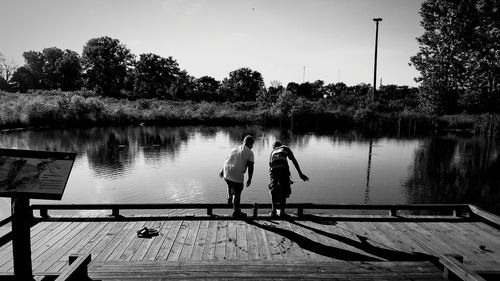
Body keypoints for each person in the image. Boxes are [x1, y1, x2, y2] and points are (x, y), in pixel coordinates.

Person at [268, 141, 309, 217]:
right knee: (284, 191)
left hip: (274, 171)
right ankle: (282, 213)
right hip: (283, 170)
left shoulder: (272, 152)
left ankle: (273, 212)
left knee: (273, 191)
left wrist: (273, 182)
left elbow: (270, 168)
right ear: (280, 145)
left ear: (274, 147)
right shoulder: (285, 148)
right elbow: (293, 160)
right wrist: (300, 174)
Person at [219, 135, 255, 218]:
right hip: (236, 174)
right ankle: (236, 212)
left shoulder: (235, 148)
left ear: (243, 142)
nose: (252, 147)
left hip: (226, 171)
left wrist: (222, 171)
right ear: (250, 144)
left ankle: (229, 197)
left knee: (230, 183)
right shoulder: (250, 152)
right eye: (252, 145)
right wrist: (249, 179)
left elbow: (228, 159)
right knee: (238, 191)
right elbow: (251, 166)